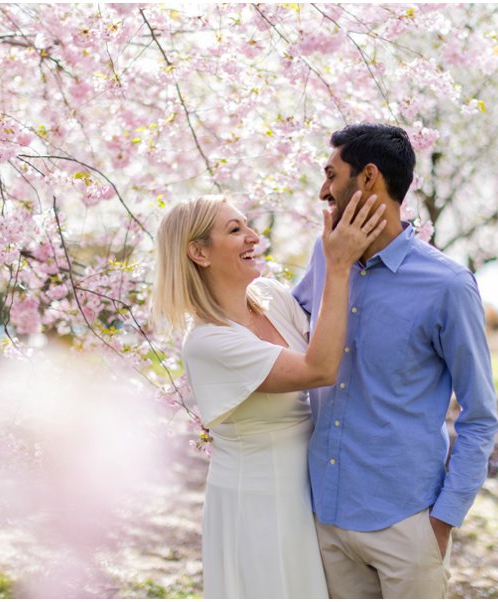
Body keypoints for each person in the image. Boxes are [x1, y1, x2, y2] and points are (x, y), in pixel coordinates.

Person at [293, 123, 498, 599]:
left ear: (368, 178)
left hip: (406, 522)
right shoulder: (325, 258)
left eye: (331, 175)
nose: (323, 191)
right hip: (327, 516)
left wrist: (442, 522)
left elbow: (481, 415)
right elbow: (285, 329)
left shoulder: (448, 286)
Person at [152, 193, 386, 598]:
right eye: (235, 229)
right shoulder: (209, 342)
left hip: (311, 492)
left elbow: (335, 338)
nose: (254, 237)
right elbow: (319, 368)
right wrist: (337, 265)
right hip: (259, 504)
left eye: (248, 225)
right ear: (199, 252)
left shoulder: (272, 298)